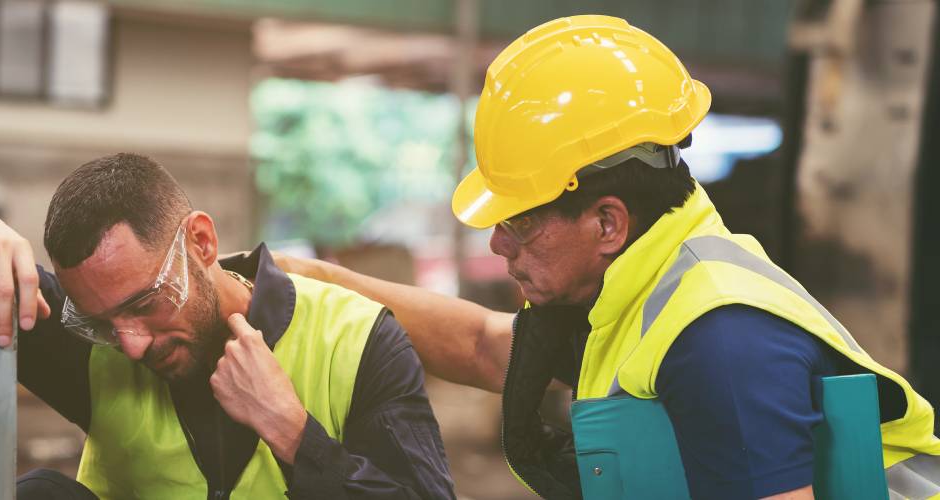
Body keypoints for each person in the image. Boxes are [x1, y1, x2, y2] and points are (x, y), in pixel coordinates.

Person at [273, 14, 940, 500]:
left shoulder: (720, 338)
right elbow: (483, 347)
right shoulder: (641, 292)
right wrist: (314, 279)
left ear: (607, 223)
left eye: (520, 223)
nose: (499, 245)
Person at [0, 153, 455, 499]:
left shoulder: (355, 341)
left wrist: (296, 436)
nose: (129, 343)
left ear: (202, 242)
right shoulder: (89, 339)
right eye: (100, 320)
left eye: (146, 302)